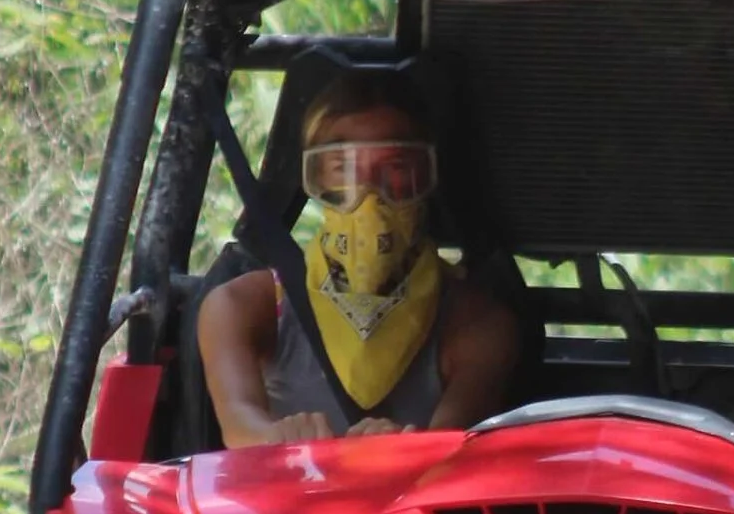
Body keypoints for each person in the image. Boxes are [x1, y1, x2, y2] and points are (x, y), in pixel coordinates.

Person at [196, 68, 518, 443]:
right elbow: (240, 428)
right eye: (341, 169)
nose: (368, 193)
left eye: (395, 169)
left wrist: (398, 451)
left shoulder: (477, 325)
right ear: (313, 181)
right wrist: (276, 441)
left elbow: (446, 450)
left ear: (426, 178)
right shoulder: (243, 305)